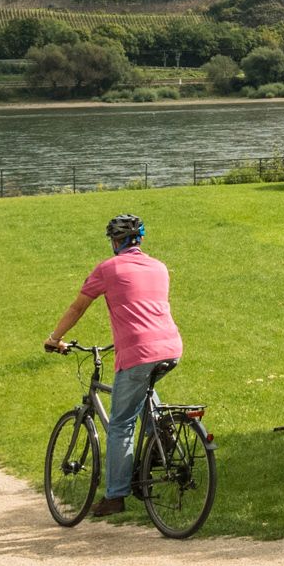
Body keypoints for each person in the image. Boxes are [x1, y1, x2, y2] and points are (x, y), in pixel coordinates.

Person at [45, 213, 183, 518]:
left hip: (137, 352)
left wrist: (55, 338)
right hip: (171, 346)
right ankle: (162, 432)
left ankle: (115, 496)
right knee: (145, 392)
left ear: (116, 241)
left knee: (121, 425)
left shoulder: (109, 268)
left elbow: (78, 306)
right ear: (140, 240)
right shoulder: (159, 267)